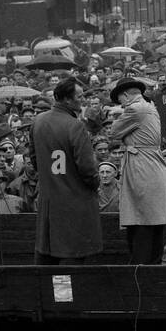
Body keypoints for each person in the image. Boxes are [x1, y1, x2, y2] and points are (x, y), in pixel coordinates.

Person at [32, 76, 102, 265]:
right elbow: (87, 169)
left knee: (46, 259)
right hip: (74, 202)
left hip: (47, 201)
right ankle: (66, 296)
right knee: (72, 259)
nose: (83, 100)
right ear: (67, 99)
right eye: (79, 96)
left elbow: (33, 159)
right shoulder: (75, 125)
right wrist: (95, 184)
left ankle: (49, 295)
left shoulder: (38, 121)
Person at [107, 78, 166, 264]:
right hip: (152, 165)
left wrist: (118, 115)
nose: (120, 105)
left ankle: (140, 267)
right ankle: (152, 265)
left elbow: (113, 133)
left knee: (141, 219)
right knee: (153, 220)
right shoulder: (149, 107)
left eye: (120, 101)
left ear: (126, 95)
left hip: (141, 166)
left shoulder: (134, 109)